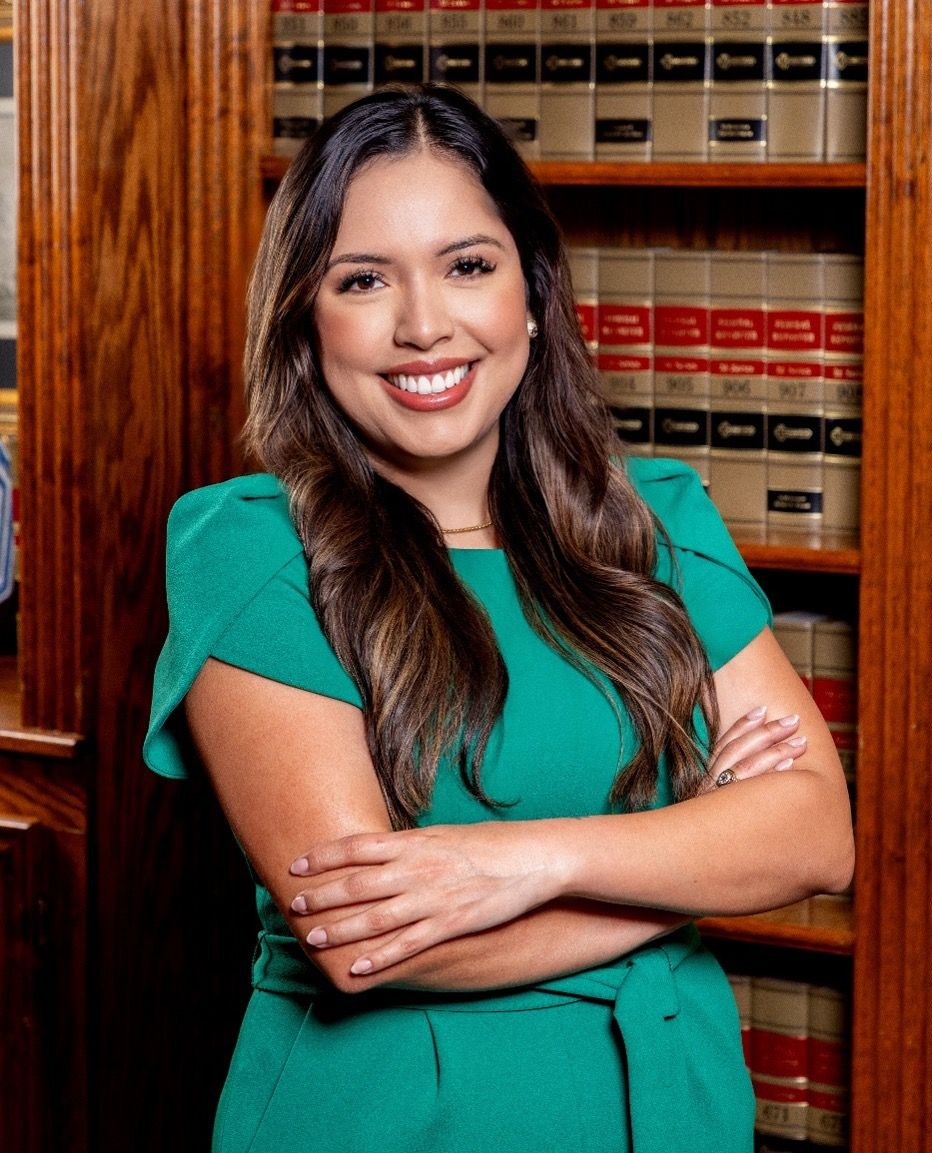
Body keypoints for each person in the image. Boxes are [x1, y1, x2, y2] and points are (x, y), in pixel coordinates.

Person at [144, 83, 854, 1153]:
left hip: (667, 1098)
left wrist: (513, 861)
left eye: (467, 265)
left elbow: (814, 837)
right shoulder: (250, 546)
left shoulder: (656, 517)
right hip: (393, 1113)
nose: (423, 323)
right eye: (363, 279)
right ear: (304, 315)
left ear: (530, 292)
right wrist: (691, 856)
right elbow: (363, 939)